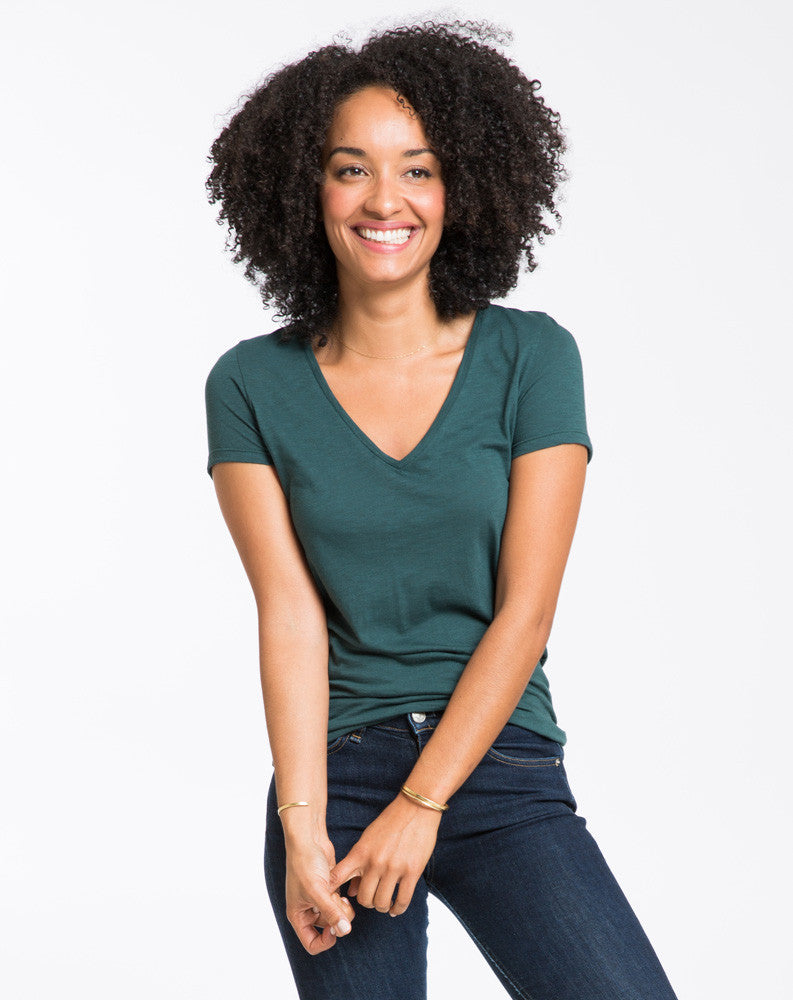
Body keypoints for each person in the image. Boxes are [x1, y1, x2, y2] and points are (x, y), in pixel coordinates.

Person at [203, 19, 680, 1000]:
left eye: (417, 170)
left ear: (461, 188)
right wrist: (303, 824)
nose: (385, 200)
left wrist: (423, 803)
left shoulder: (531, 357)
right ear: (305, 189)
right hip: (335, 776)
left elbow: (525, 613)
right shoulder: (249, 383)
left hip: (499, 768)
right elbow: (289, 614)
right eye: (351, 169)